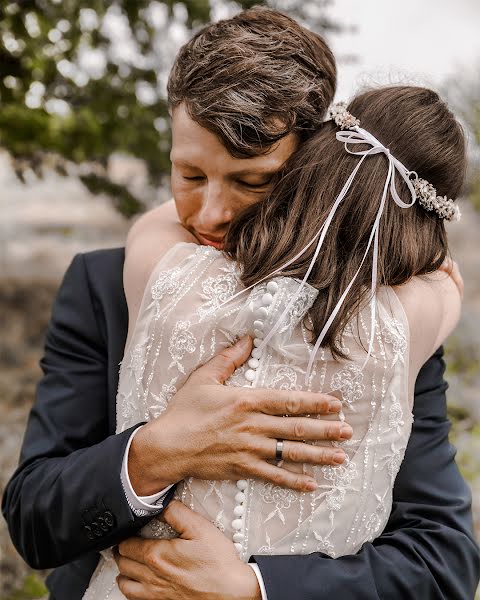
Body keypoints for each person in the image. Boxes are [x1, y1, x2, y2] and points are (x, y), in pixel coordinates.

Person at [2, 8, 479, 600]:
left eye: (252, 182)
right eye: (189, 174)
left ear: (315, 166)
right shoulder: (102, 285)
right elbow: (33, 520)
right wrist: (156, 451)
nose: (209, 214)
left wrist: (256, 588)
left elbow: (443, 560)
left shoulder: (374, 320)